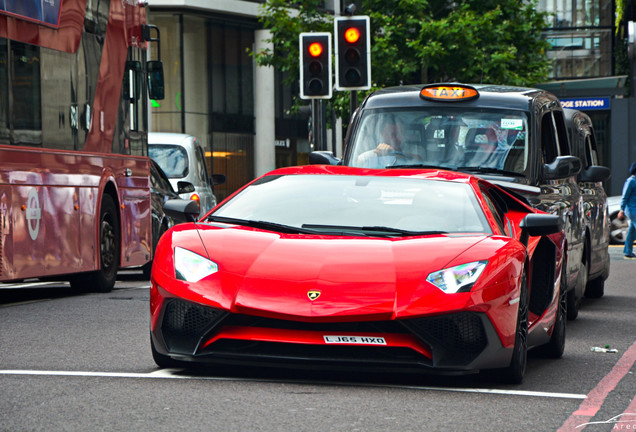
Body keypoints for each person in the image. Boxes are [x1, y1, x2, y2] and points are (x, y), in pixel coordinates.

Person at [618, 162, 636, 259]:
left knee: (632, 231)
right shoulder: (631, 181)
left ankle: (627, 251)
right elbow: (625, 197)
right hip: (632, 209)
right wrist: (621, 209)